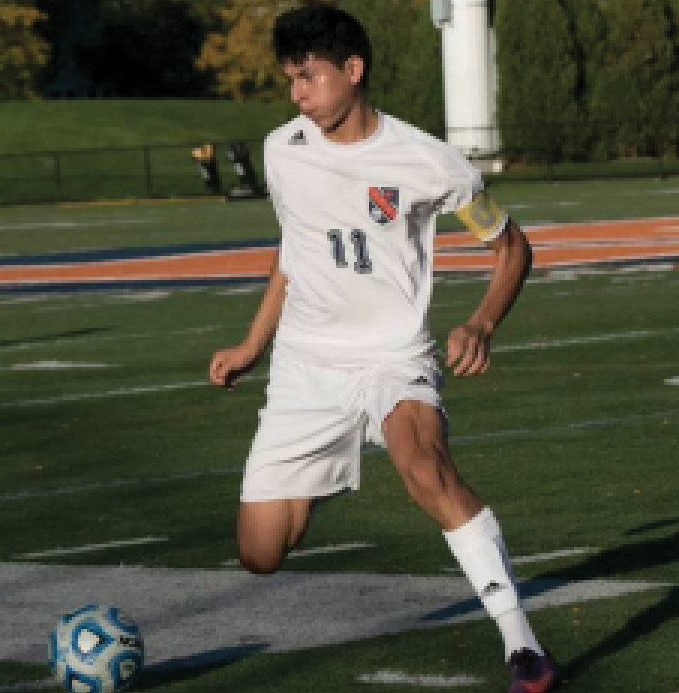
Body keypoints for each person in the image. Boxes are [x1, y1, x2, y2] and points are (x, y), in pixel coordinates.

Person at [208, 6, 559, 693]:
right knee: (260, 553)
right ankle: (332, 457)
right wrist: (254, 342)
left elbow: (512, 244)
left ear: (352, 71)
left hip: (394, 355)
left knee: (424, 468)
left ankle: (524, 647)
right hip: (307, 367)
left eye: (307, 77)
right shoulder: (284, 151)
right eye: (290, 80)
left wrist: (482, 323)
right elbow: (295, 252)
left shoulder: (429, 160)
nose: (296, 95)